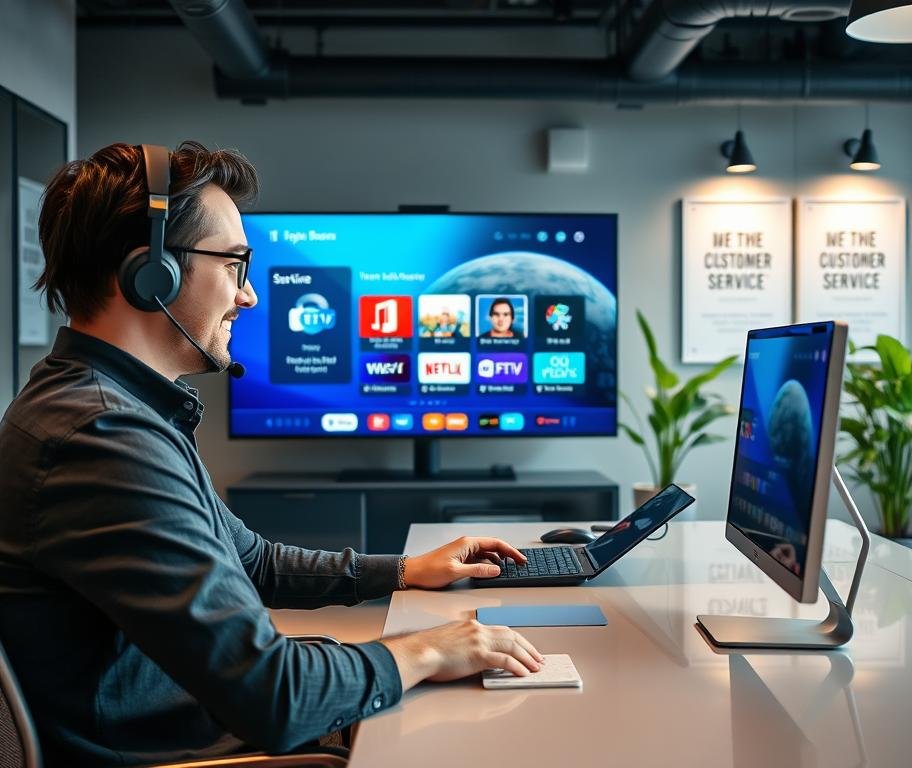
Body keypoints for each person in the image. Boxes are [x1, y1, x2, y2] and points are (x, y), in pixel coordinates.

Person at [0, 142, 542, 767]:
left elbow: (251, 561)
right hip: (203, 756)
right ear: (151, 275)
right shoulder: (102, 437)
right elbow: (274, 694)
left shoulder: (114, 408)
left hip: (207, 726)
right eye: (234, 265)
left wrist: (403, 571)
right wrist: (425, 651)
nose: (249, 295)